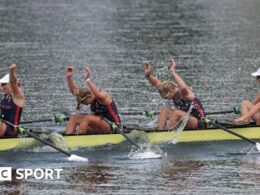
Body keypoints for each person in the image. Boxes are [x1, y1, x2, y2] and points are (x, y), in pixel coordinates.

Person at [144, 59, 206, 130]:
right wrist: (148, 75)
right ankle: (160, 131)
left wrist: (173, 71)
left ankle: (168, 133)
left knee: (176, 113)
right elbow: (157, 84)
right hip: (185, 120)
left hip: (199, 122)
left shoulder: (183, 93)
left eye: (166, 96)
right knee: (165, 110)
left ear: (171, 90)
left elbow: (183, 88)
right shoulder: (172, 94)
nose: (166, 98)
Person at [66, 66, 121, 134]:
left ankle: (77, 138)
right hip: (99, 126)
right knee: (74, 118)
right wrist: (69, 77)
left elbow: (97, 94)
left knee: (88, 118)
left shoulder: (103, 97)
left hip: (113, 127)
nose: (85, 104)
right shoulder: (90, 97)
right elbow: (75, 91)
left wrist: (87, 79)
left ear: (89, 97)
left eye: (84, 102)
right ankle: (68, 138)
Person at [0, 64, 25, 137]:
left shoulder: (18, 96)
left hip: (10, 132)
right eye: (2, 84)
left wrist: (12, 71)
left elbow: (13, 83)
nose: (2, 86)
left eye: (4, 84)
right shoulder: (6, 94)